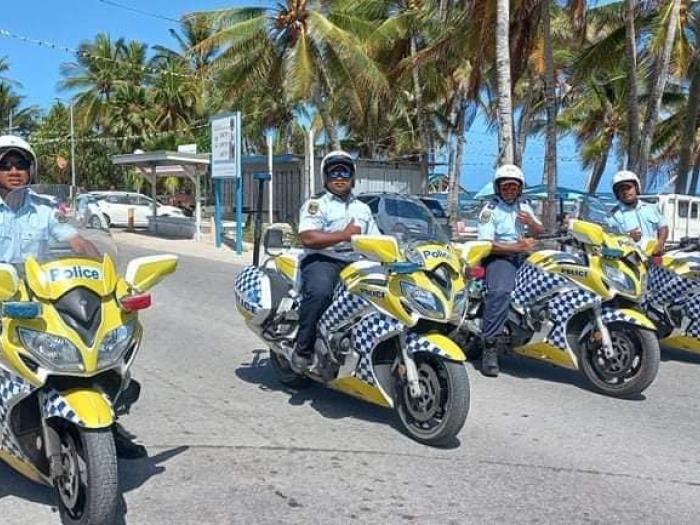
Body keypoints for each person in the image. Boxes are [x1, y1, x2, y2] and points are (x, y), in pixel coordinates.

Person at [0, 135, 146, 458]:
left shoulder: (44, 211)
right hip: (2, 296)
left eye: (20, 164)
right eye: (5, 164)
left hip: (39, 296)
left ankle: (108, 426)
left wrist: (107, 276)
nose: (13, 170)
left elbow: (77, 242)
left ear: (31, 170)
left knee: (92, 350)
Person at [291, 150, 380, 371]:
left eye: (344, 172)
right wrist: (345, 235)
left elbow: (377, 240)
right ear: (326, 177)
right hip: (323, 259)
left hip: (355, 262)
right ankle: (303, 350)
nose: (339, 177)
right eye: (334, 173)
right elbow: (308, 237)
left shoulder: (363, 209)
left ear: (352, 176)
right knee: (320, 293)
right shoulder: (317, 204)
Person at [477, 164, 544, 377]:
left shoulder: (524, 206)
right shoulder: (490, 210)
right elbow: (487, 245)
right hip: (499, 257)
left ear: (520, 189)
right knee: (500, 292)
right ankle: (489, 346)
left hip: (523, 254)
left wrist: (531, 222)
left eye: (514, 187)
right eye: (506, 187)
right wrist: (518, 247)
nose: (510, 191)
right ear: (498, 188)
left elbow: (540, 231)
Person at [607, 170, 667, 254]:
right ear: (617, 194)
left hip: (654, 257)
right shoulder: (612, 216)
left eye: (628, 188)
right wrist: (628, 237)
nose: (625, 192)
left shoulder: (651, 207)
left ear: (637, 188)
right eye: (621, 189)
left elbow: (663, 227)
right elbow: (609, 240)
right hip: (629, 260)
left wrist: (660, 243)